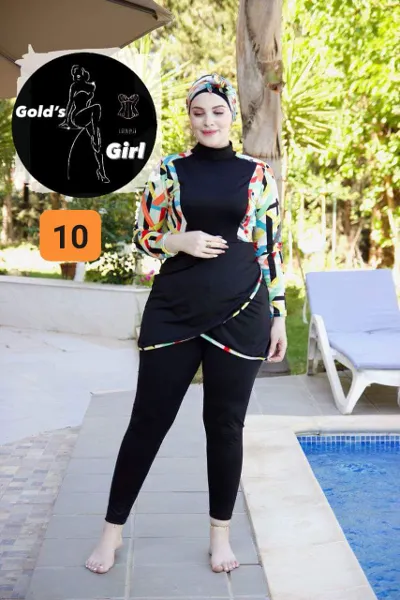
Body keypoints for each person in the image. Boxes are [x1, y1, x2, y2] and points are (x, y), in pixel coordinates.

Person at [85, 73, 287, 576]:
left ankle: (220, 536)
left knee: (225, 426)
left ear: (231, 116)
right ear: (190, 118)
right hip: (174, 309)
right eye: (199, 113)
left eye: (217, 112)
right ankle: (111, 532)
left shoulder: (258, 174)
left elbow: (270, 247)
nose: (208, 121)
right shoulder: (170, 171)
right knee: (147, 421)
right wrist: (180, 241)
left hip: (242, 310)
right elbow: (143, 234)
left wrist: (279, 313)